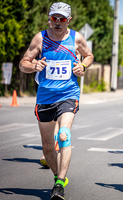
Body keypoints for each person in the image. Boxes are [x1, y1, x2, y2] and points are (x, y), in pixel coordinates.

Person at [19, 2, 94, 199]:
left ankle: (59, 184)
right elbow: (23, 64)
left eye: (62, 19)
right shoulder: (40, 38)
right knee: (47, 147)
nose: (58, 22)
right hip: (45, 96)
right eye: (54, 18)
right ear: (49, 19)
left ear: (69, 20)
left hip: (68, 94)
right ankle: (58, 178)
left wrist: (83, 67)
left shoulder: (76, 38)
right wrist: (33, 65)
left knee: (63, 135)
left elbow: (89, 55)